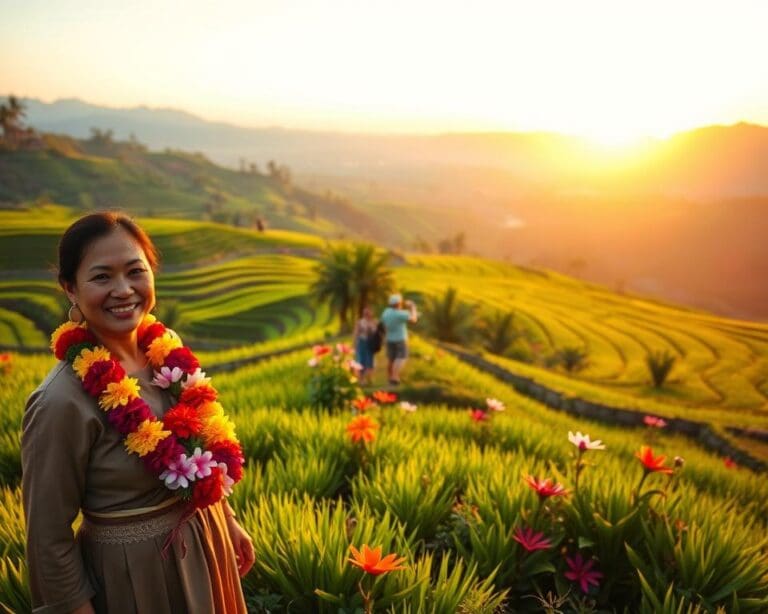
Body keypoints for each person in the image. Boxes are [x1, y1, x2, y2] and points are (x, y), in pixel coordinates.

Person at [21, 212, 254, 614]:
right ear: (70, 289)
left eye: (135, 271)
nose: (123, 290)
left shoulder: (166, 351)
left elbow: (198, 447)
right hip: (135, 577)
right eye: (101, 277)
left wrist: (226, 518)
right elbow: (47, 538)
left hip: (206, 544)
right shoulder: (60, 402)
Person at [380, 294, 418, 385]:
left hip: (389, 338)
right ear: (398, 303)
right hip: (400, 339)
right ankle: (395, 377)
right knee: (401, 357)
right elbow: (414, 319)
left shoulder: (386, 312)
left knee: (391, 359)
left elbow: (383, 324)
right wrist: (413, 307)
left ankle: (390, 378)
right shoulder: (400, 314)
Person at [353, 306, 378, 385]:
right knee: (361, 361)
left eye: (368, 312)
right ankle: (362, 379)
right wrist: (355, 344)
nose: (367, 314)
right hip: (362, 343)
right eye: (365, 312)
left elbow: (377, 333)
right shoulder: (360, 322)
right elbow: (356, 334)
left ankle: (369, 378)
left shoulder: (374, 322)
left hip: (371, 343)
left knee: (370, 361)